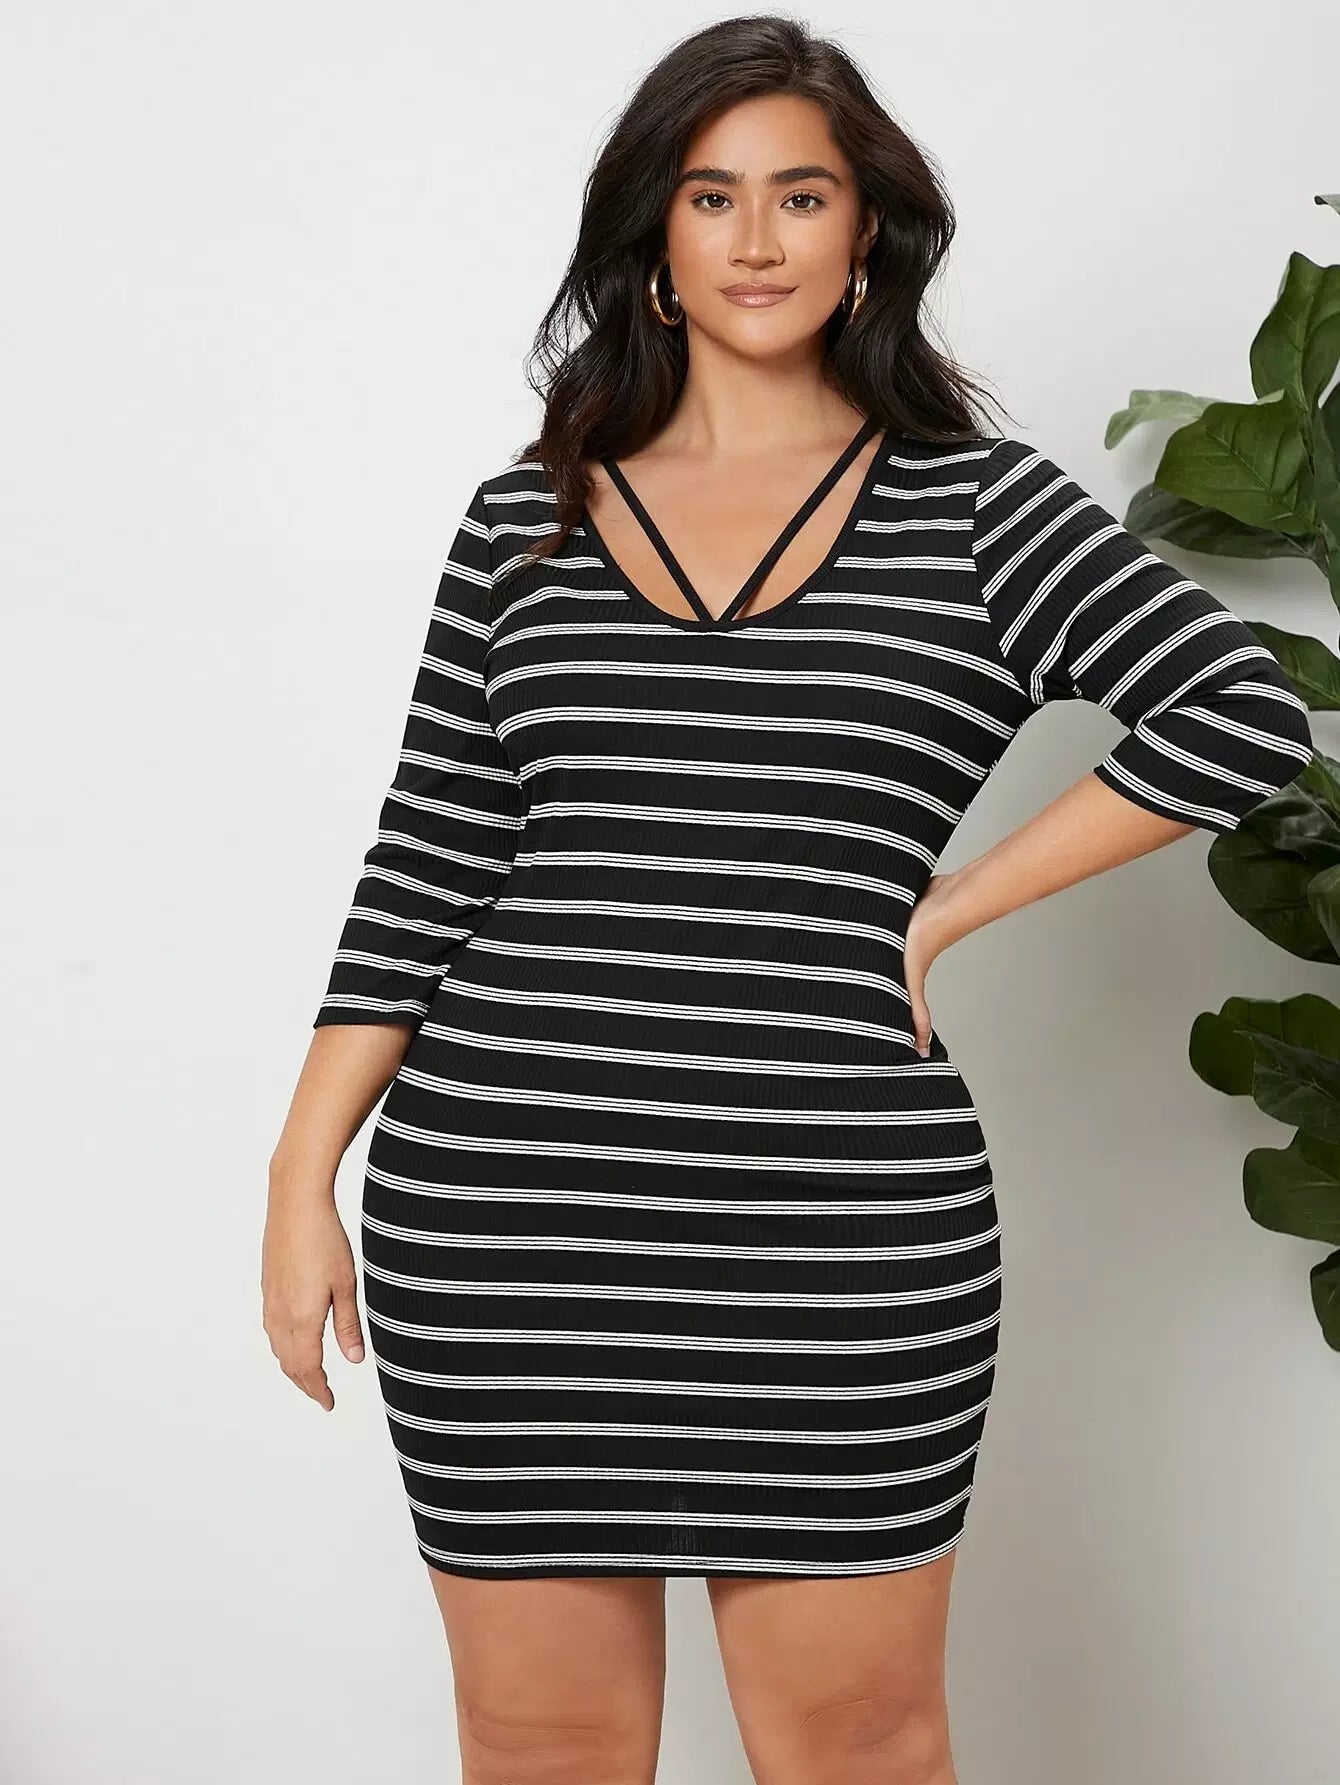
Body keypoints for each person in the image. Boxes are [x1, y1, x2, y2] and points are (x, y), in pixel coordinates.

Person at [262, 16, 1314, 1784]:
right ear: (654, 241)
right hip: (510, 1217)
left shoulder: (976, 509)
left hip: (838, 1229)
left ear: (867, 232)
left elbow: (1239, 711)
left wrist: (950, 904)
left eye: (802, 196)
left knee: (861, 1743)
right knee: (537, 1740)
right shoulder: (525, 521)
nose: (756, 239)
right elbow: (428, 857)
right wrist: (303, 1177)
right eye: (712, 197)